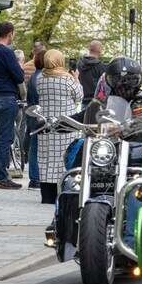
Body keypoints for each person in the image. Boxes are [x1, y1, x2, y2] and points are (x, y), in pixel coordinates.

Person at [35, 50, 83, 205]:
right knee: (65, 159)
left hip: (47, 124)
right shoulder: (67, 80)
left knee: (46, 159)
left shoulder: (40, 79)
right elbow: (79, 96)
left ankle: (47, 196)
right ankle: (64, 193)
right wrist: (76, 79)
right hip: (65, 125)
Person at [0, 22, 26, 189]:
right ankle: (1, 176)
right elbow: (19, 76)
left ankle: (1, 175)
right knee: (6, 137)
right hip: (6, 97)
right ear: (10, 33)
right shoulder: (6, 52)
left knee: (2, 136)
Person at [25, 47, 45, 189]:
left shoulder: (35, 76)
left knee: (34, 145)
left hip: (32, 114)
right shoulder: (40, 78)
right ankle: (35, 178)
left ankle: (35, 178)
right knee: (36, 146)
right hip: (37, 115)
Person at [78, 40, 108, 105]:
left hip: (83, 99)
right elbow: (105, 85)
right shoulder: (100, 66)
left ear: (89, 49)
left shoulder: (79, 64)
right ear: (100, 50)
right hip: (96, 102)